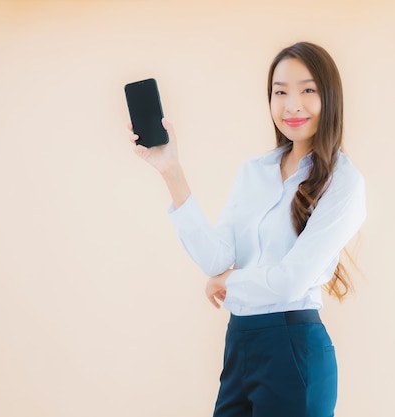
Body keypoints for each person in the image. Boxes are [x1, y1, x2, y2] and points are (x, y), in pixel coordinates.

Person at [128, 41, 366, 417]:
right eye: (280, 92)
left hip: (294, 346)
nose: (292, 105)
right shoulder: (254, 171)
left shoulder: (344, 181)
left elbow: (290, 281)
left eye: (307, 90)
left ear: (330, 97)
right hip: (240, 342)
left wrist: (228, 285)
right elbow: (217, 257)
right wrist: (170, 170)